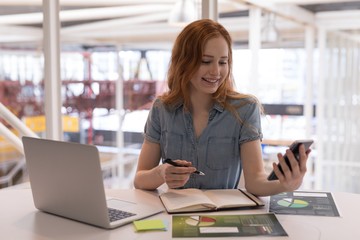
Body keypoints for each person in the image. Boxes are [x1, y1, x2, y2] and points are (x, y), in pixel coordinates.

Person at [133, 19, 311, 196]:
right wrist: (161, 172)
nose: (216, 72)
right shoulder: (162, 109)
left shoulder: (246, 109)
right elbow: (140, 179)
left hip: (224, 218)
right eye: (205, 61)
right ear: (184, 61)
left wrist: (287, 184)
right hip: (175, 216)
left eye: (223, 62)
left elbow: (256, 182)